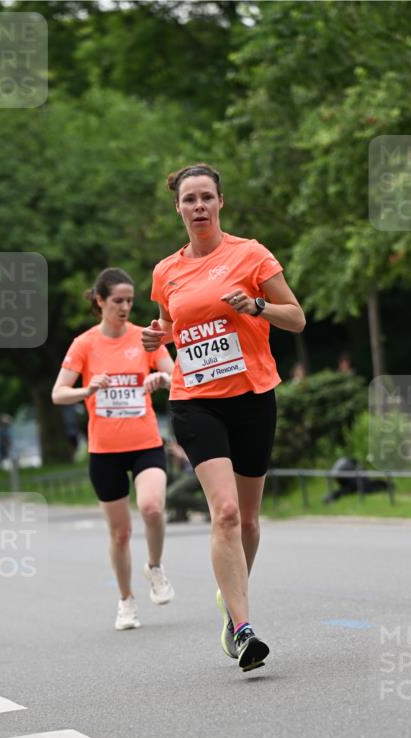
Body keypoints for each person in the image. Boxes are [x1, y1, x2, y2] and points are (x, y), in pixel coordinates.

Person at [142, 163, 305, 672]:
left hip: (253, 396)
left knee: (250, 519)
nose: (198, 207)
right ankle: (243, 628)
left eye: (206, 197)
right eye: (188, 199)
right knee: (227, 513)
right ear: (178, 208)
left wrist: (257, 305)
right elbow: (174, 326)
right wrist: (158, 337)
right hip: (196, 401)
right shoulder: (166, 271)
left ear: (220, 203)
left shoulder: (251, 254)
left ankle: (228, 599)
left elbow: (296, 317)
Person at [52, 268, 175, 630]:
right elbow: (58, 393)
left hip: (145, 442)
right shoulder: (84, 344)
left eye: (129, 301)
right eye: (117, 301)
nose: (124, 308)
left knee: (152, 508)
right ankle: (126, 601)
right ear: (100, 301)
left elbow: (176, 376)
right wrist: (87, 391)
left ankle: (154, 567)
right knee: (120, 533)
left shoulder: (146, 338)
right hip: (104, 450)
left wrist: (161, 378)